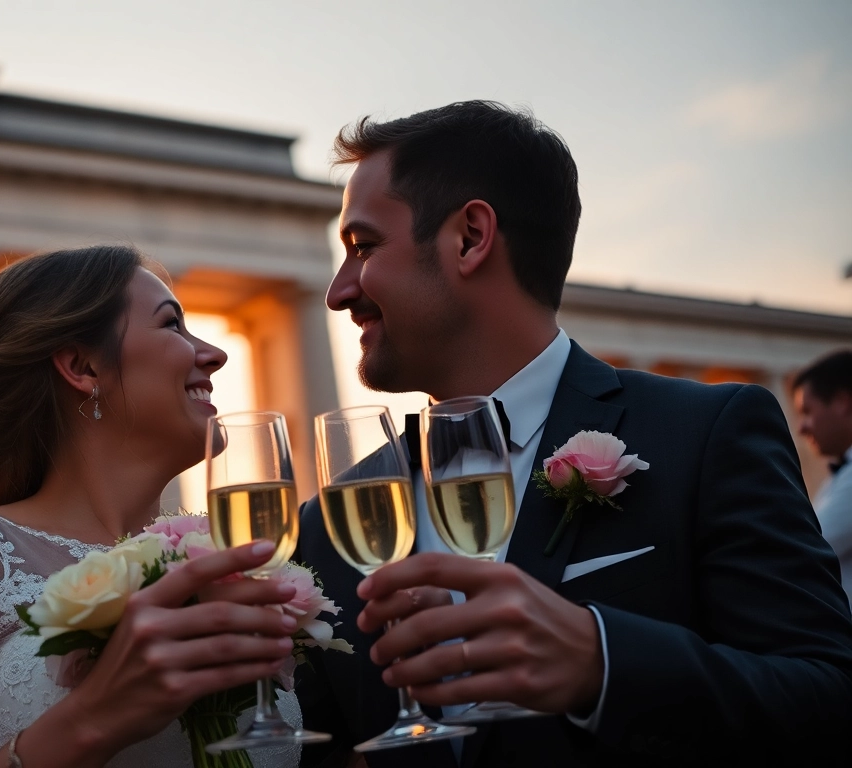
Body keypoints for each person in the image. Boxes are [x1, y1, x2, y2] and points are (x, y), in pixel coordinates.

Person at [294, 101, 852, 767]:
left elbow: (831, 699)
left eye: (363, 246)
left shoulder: (705, 435)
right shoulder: (332, 522)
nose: (336, 290)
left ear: (470, 237)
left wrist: (604, 661)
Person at [0, 245, 304, 768]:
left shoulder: (230, 559)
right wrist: (92, 719)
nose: (213, 354)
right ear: (83, 366)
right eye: (172, 325)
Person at [792, 350, 852, 606]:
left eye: (807, 411)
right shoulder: (841, 473)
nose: (801, 427)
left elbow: (804, 549)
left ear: (842, 402)